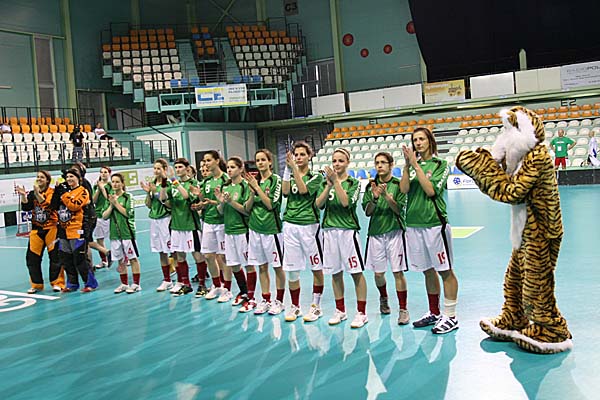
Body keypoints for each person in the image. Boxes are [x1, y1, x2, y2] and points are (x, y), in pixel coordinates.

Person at [400, 127, 459, 334]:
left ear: (430, 141)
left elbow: (431, 191)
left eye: (421, 139)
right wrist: (407, 166)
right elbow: (404, 190)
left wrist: (416, 166)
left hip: (435, 224)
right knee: (427, 270)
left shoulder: (441, 164)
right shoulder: (412, 166)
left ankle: (451, 316)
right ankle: (434, 312)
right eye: (415, 140)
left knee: (445, 270)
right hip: (414, 225)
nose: (418, 143)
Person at [315, 148, 368, 328]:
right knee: (335, 273)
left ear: (347, 163)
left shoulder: (354, 183)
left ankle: (361, 313)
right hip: (329, 231)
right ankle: (340, 310)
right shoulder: (325, 183)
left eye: (340, 161)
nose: (336, 164)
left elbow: (346, 203)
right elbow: (318, 204)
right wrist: (329, 185)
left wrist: (336, 182)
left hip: (348, 232)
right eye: (334, 161)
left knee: (356, 272)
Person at [362, 152, 410, 325]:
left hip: (395, 232)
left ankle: (403, 309)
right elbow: (367, 212)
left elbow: (399, 210)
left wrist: (386, 197)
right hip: (375, 233)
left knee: (398, 272)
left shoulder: (398, 185)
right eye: (377, 163)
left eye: (383, 162)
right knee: (378, 274)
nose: (379, 165)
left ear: (391, 165)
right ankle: (383, 298)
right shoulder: (370, 187)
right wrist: (375, 197)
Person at [281, 141, 325, 322]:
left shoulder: (316, 176)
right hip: (290, 226)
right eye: (296, 155)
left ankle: (316, 306)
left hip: (309, 227)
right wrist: (287, 170)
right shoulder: (290, 175)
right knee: (292, 270)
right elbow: (285, 192)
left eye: (302, 154)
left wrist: (294, 170)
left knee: (316, 267)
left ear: (310, 156)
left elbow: (303, 190)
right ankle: (295, 306)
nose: (298, 158)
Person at [244, 149, 286, 315]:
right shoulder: (254, 182)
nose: (260, 163)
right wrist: (251, 193)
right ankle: (266, 299)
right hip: (255, 229)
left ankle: (279, 301)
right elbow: (247, 208)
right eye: (257, 160)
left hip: (271, 230)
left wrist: (257, 188)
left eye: (263, 160)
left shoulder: (276, 180)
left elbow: (270, 205)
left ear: (270, 162)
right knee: (261, 266)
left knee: (277, 267)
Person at [159, 158, 203, 296]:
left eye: (180, 167)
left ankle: (202, 285)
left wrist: (174, 180)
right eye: (176, 167)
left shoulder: (193, 183)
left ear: (187, 168)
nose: (178, 170)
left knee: (197, 256)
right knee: (180, 257)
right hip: (176, 226)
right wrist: (164, 183)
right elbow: (164, 200)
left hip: (190, 225)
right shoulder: (173, 186)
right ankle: (186, 284)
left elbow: (186, 196)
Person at [16, 171, 65, 293]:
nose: (39, 179)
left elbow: (48, 206)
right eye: (38, 177)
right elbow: (26, 207)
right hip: (36, 229)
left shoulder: (53, 192)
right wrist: (23, 196)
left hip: (52, 228)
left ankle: (57, 283)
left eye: (42, 177)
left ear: (47, 180)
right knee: (32, 258)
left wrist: (37, 194)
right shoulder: (32, 193)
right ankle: (36, 284)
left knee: (55, 257)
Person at [216, 157, 252, 308]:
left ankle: (251, 296)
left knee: (248, 265)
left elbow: (246, 210)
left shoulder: (245, 186)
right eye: (228, 168)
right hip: (228, 230)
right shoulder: (225, 186)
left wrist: (231, 201)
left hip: (242, 230)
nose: (229, 170)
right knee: (234, 264)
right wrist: (221, 202)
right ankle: (243, 292)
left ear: (240, 168)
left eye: (232, 167)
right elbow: (220, 211)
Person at [55, 167, 98, 292]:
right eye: (67, 177)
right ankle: (72, 284)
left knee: (80, 259)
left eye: (71, 176)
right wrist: (58, 192)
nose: (69, 179)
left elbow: (74, 206)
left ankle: (90, 283)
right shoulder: (64, 191)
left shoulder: (83, 191)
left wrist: (64, 195)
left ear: (78, 178)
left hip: (77, 230)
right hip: (63, 230)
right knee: (66, 259)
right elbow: (54, 206)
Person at [198, 151, 231, 301]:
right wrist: (200, 203)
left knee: (224, 257)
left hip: (222, 222)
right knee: (208, 255)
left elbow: (226, 202)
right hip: (208, 222)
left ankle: (227, 289)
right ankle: (217, 285)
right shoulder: (206, 181)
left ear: (217, 161)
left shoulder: (226, 179)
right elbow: (206, 201)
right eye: (204, 161)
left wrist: (214, 202)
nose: (206, 163)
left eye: (208, 160)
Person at [103, 173, 141, 294]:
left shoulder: (128, 197)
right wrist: (111, 205)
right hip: (114, 233)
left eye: (117, 182)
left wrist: (116, 204)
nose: (115, 184)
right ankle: (124, 284)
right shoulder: (110, 198)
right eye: (113, 182)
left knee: (132, 258)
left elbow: (128, 213)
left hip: (127, 233)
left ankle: (136, 284)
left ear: (122, 184)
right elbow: (104, 216)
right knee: (120, 259)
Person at [141, 159, 173, 291]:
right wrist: (148, 193)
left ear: (165, 169)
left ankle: (181, 279)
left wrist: (155, 193)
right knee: (160, 251)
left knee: (173, 250)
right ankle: (167, 280)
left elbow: (170, 205)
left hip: (166, 219)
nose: (156, 171)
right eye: (154, 168)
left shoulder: (168, 184)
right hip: (154, 219)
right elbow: (148, 205)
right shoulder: (152, 183)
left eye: (158, 168)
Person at [92, 166, 112, 269]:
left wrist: (103, 188)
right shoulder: (96, 186)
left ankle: (125, 258)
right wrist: (98, 190)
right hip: (98, 215)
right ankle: (104, 260)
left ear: (109, 174)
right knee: (99, 239)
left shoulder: (111, 185)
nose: (103, 174)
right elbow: (93, 201)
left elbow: (108, 199)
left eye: (105, 172)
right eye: (101, 172)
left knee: (116, 238)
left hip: (109, 214)